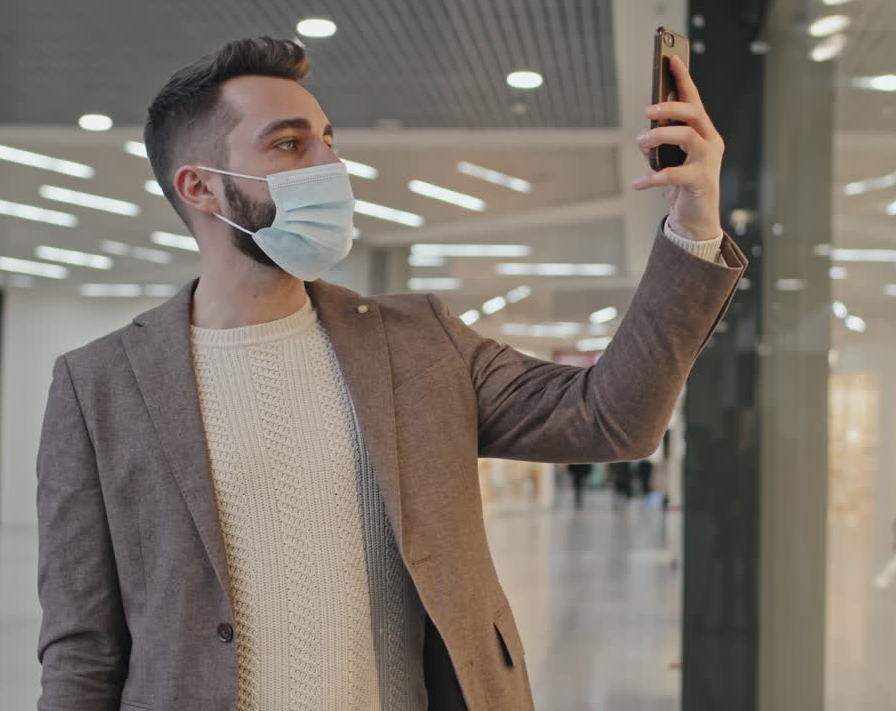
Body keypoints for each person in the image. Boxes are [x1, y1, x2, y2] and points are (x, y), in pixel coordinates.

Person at [36, 36, 745, 711]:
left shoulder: (417, 342)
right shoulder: (99, 386)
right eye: (289, 144)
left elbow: (612, 417)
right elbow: (82, 647)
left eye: (328, 140)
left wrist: (694, 224)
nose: (329, 164)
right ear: (202, 188)